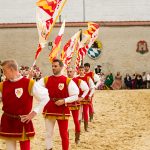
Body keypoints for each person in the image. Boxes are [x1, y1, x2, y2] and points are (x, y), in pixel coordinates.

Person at [0, 59, 49, 150]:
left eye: (4, 71)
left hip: (23, 120)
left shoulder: (29, 83)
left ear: (11, 69)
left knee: (25, 147)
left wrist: (33, 113)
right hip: (7, 120)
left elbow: (45, 97)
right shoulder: (3, 85)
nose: (3, 73)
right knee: (10, 148)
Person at [38, 59, 79, 150]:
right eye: (52, 66)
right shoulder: (46, 79)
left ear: (61, 67)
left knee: (63, 134)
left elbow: (75, 95)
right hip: (50, 108)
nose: (53, 68)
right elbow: (36, 88)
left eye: (55, 66)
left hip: (62, 110)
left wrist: (64, 100)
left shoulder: (67, 81)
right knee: (48, 133)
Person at [67, 67, 89, 144]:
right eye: (68, 71)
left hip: (75, 103)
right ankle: (66, 138)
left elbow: (86, 89)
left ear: (74, 72)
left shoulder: (78, 81)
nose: (69, 73)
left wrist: (82, 97)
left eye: (70, 71)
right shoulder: (65, 80)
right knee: (65, 121)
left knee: (76, 120)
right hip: (66, 103)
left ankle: (77, 138)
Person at [76, 66, 95, 131]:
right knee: (79, 112)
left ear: (84, 71)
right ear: (78, 70)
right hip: (78, 97)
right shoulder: (76, 78)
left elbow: (92, 87)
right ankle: (78, 127)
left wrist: (90, 95)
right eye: (80, 70)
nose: (81, 71)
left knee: (85, 111)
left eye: (82, 70)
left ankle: (86, 127)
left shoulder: (88, 78)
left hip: (86, 97)